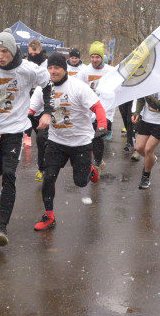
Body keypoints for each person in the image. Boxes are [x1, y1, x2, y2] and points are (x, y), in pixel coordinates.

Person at [0, 30, 52, 246]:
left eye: (4, 51)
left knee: (8, 174)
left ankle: (2, 227)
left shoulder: (27, 69)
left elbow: (48, 85)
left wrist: (48, 111)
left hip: (15, 129)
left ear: (13, 50)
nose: (0, 56)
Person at [33, 53, 106, 231]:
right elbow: (31, 109)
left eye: (56, 68)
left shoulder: (77, 86)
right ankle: (49, 215)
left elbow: (98, 107)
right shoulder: (42, 88)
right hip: (56, 141)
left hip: (80, 142)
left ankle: (90, 168)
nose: (53, 71)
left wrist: (102, 126)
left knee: (81, 182)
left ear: (64, 69)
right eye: (50, 68)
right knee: (48, 178)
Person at [131, 88, 160, 189]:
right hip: (148, 119)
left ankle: (145, 177)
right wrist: (137, 112)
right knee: (139, 147)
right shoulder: (147, 83)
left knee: (148, 149)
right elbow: (141, 99)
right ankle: (152, 159)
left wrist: (148, 95)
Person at [83, 41, 115, 169]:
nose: (94, 60)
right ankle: (98, 161)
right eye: (92, 57)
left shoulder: (110, 71)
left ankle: (97, 161)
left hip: (106, 109)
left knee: (98, 135)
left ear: (102, 57)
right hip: (91, 109)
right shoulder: (85, 71)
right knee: (91, 137)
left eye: (97, 57)